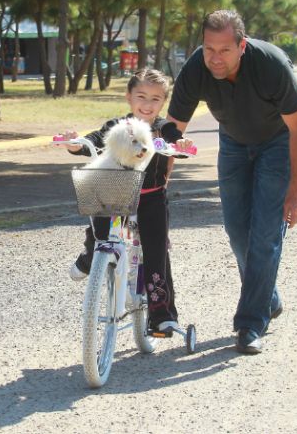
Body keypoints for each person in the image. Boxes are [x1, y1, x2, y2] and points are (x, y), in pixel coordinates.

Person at [165, 10, 297, 354]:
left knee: (265, 235)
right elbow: (172, 131)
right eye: (209, 48)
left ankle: (250, 323)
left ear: (242, 45)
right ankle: (267, 297)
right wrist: (161, 180)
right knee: (236, 231)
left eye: (224, 50)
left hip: (276, 144)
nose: (215, 58)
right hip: (232, 142)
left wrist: (295, 191)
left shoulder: (271, 65)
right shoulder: (197, 68)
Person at [58, 68, 195, 335]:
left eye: (155, 99)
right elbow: (95, 140)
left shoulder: (163, 128)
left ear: (163, 102)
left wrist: (181, 145)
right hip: (116, 191)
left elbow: (176, 141)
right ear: (129, 97)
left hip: (151, 198)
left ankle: (161, 316)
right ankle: (90, 258)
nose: (147, 104)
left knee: (156, 253)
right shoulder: (117, 127)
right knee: (98, 227)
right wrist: (75, 144)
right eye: (141, 96)